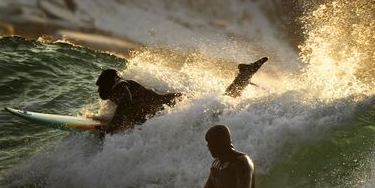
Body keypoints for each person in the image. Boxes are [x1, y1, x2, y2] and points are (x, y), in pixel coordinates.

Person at [96, 57, 268, 133]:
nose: (98, 89)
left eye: (100, 85)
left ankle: (244, 74)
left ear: (109, 81)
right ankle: (244, 74)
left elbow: (126, 98)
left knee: (224, 103)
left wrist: (112, 127)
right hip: (178, 103)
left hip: (177, 104)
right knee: (225, 101)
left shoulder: (120, 85)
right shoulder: (116, 95)